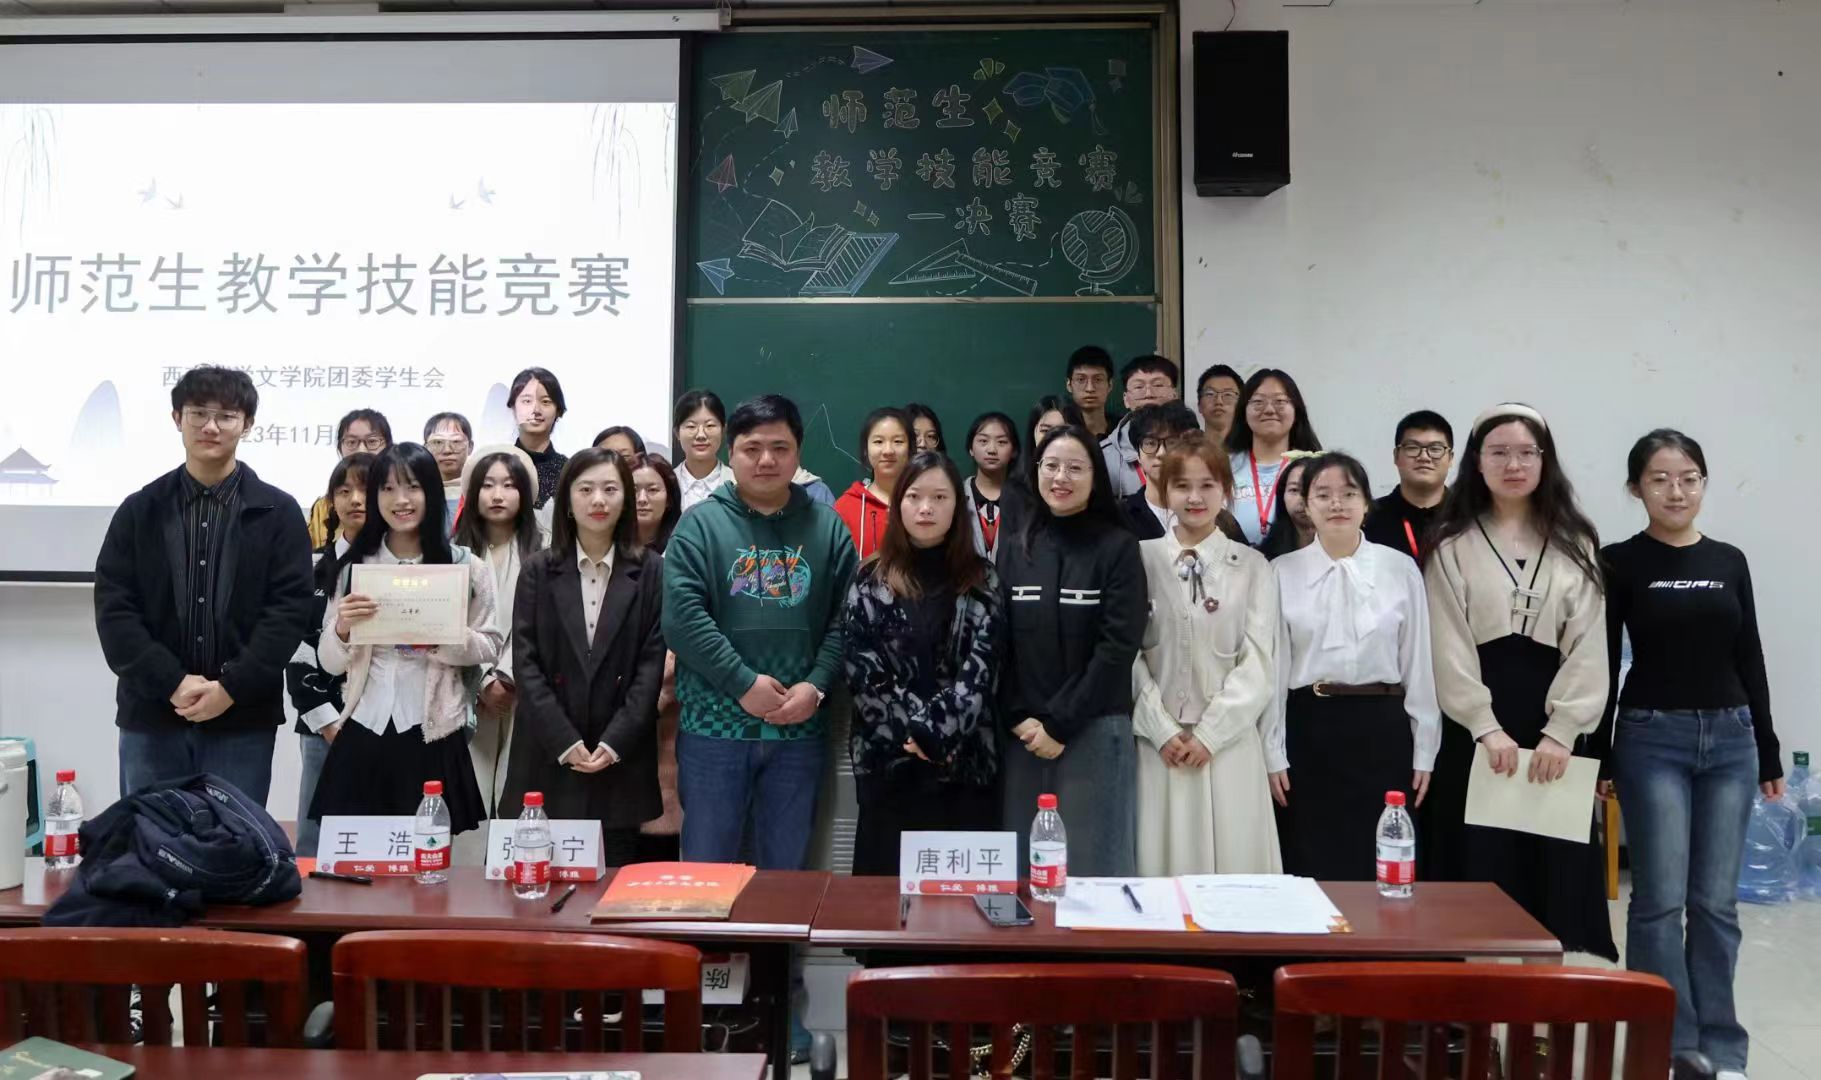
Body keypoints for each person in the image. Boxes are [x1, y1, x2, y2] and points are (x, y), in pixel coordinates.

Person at [1593, 429, 1781, 1074]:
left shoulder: (1730, 560)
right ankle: (1669, 1046)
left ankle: (1722, 1049)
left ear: (1703, 483)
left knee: (1715, 904)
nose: (1676, 491)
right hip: (1652, 738)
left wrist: (1768, 749)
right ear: (1636, 488)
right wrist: (1599, 754)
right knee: (1659, 901)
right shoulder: (1618, 561)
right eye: (1660, 479)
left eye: (1689, 478)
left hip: (1731, 739)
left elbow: (1749, 654)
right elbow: (1601, 660)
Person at [1423, 404, 1616, 960]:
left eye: (1526, 452)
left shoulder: (1575, 540)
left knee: (1550, 881)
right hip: (1476, 732)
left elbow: (1590, 645)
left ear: (1544, 461)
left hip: (1551, 730)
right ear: (1477, 462)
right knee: (1478, 877)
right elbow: (1446, 645)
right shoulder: (1451, 541)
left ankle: (1540, 1004)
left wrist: (1563, 731)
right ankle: (1477, 1003)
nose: (1514, 464)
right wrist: (1484, 726)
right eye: (1499, 452)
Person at [96, 366, 313, 806]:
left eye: (226, 416)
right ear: (177, 418)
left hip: (242, 720)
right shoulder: (140, 510)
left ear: (246, 425)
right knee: (151, 840)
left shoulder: (279, 512)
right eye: (198, 413)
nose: (210, 427)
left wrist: (231, 688)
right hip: (153, 718)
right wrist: (171, 682)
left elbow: (289, 612)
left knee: (234, 841)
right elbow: (115, 610)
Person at [662, 394, 860, 868]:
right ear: (731, 453)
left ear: (798, 453)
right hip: (714, 731)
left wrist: (816, 686)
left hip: (799, 729)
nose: (766, 460)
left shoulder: (829, 527)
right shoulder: (699, 525)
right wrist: (742, 683)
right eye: (752, 448)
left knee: (784, 877)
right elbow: (682, 620)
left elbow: (847, 618)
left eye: (780, 447)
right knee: (707, 875)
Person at [310, 443, 503, 837]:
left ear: (431, 491)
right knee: (360, 860)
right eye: (388, 488)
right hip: (365, 725)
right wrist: (343, 628)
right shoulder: (354, 568)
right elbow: (329, 662)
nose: (401, 500)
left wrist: (441, 637)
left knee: (428, 859)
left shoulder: (465, 566)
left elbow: (489, 645)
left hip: (432, 730)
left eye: (413, 487)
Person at [1265, 453, 1440, 880]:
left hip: (1382, 729)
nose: (1337, 504)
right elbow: (1273, 671)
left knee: (1382, 857)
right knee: (1311, 855)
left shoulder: (1399, 568)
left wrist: (1425, 748)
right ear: (1306, 505)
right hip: (1309, 727)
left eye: (1348, 493)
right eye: (1323, 494)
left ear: (1366, 504)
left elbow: (1418, 664)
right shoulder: (1281, 572)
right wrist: (1272, 751)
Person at [502, 448, 666, 867]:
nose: (598, 500)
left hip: (619, 758)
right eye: (586, 489)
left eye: (610, 489)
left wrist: (614, 742)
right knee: (539, 882)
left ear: (625, 499)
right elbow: (526, 664)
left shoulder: (652, 571)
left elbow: (651, 667)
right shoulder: (538, 570)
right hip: (549, 751)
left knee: (614, 884)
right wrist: (565, 741)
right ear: (567, 502)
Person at [843, 452, 1003, 874]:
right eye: (914, 496)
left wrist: (936, 734)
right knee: (882, 903)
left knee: (961, 905)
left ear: (957, 507)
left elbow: (982, 672)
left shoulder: (984, 580)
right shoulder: (869, 579)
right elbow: (863, 673)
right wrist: (914, 735)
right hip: (889, 770)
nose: (926, 508)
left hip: (965, 770)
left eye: (939, 497)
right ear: (899, 504)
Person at [998, 425, 1146, 877]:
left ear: (1095, 477)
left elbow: (1118, 645)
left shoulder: (1118, 547)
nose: (1061, 477)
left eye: (1075, 468)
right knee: (1023, 874)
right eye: (1051, 466)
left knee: (1095, 870)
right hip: (1024, 733)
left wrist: (1060, 724)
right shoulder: (1015, 547)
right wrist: (1017, 714)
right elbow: (998, 641)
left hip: (1094, 729)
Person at [1132, 432, 1281, 875]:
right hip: (1159, 746)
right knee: (1161, 874)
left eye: (1207, 485)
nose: (1194, 498)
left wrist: (1211, 735)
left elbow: (1259, 663)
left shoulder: (1253, 566)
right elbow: (1126, 655)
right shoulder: (1139, 559)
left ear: (1225, 490)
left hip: (1228, 745)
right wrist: (1161, 729)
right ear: (1164, 491)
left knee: (1236, 875)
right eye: (1182, 486)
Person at [452, 445, 547, 817]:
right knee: (469, 802)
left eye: (508, 485)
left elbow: (543, 625)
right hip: (467, 694)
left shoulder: (546, 550)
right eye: (488, 485)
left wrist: (506, 677)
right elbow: (447, 628)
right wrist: (482, 681)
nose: (497, 495)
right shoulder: (454, 554)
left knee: (521, 796)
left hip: (528, 691)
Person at [286, 451, 374, 855]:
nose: (356, 499)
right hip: (323, 724)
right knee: (315, 842)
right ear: (331, 503)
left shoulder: (406, 568)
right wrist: (327, 723)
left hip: (385, 725)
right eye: (344, 491)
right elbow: (295, 650)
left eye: (367, 490)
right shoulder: (310, 568)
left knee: (380, 843)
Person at [1226, 369, 1322, 545]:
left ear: (1296, 410)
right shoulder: (1222, 466)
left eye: (1280, 401)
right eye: (1258, 402)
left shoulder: (1315, 467)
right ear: (1243, 411)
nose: (1269, 410)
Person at [1364, 410, 1454, 560]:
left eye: (1435, 449)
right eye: (1412, 448)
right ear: (1396, 456)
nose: (1424, 457)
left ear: (1450, 458)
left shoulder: (1469, 517)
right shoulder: (1368, 519)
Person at [835, 407, 913, 559]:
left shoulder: (925, 504)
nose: (888, 450)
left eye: (898, 441)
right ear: (865, 449)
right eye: (878, 441)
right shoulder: (845, 507)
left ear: (910, 449)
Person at [306, 409, 392, 547]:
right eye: (352, 442)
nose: (361, 450)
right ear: (340, 448)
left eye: (372, 441)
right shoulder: (323, 507)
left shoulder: (401, 500)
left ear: (388, 447)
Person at [1102, 355, 1181, 498]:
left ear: (1174, 394)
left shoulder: (1195, 447)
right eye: (1139, 387)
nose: (1149, 394)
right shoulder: (1104, 455)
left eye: (1158, 385)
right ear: (1126, 399)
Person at [1117, 402, 1199, 540]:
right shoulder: (1120, 517)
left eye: (1172, 442)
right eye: (1150, 443)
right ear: (1138, 454)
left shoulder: (1211, 512)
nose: (1161, 453)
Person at [963, 411, 1019, 560]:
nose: (992, 450)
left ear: (1014, 450)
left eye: (1002, 442)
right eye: (983, 441)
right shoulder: (956, 496)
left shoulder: (1025, 500)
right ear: (971, 448)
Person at [511, 367, 568, 509]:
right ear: (513, 408)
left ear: (558, 411)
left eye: (546, 402)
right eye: (527, 401)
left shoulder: (569, 470)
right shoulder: (496, 464)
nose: (535, 410)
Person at [674, 389, 734, 513]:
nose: (701, 435)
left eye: (710, 425)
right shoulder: (665, 485)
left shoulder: (738, 483)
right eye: (691, 426)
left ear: (723, 430)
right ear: (677, 433)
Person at [1256, 453, 1318, 561]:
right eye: (1294, 490)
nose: (1303, 499)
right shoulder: (1266, 557)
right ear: (1282, 495)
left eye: (1314, 490)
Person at [424, 412, 472, 532]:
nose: (447, 450)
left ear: (470, 447)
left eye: (456, 442)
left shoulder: (480, 491)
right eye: (437, 442)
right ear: (425, 448)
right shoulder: (418, 492)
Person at [630, 452, 682, 553]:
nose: (642, 499)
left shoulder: (681, 547)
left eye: (652, 490)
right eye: (633, 490)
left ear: (669, 499)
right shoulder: (608, 545)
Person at [1064, 345, 1115, 439]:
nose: (1090, 388)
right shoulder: (1060, 433)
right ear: (1069, 385)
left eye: (1098, 380)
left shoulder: (1124, 433)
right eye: (1081, 379)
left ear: (1110, 385)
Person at [1194, 363, 1243, 444]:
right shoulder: (1186, 450)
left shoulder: (1254, 449)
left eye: (1228, 394)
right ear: (1199, 405)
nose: (1218, 401)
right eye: (1210, 394)